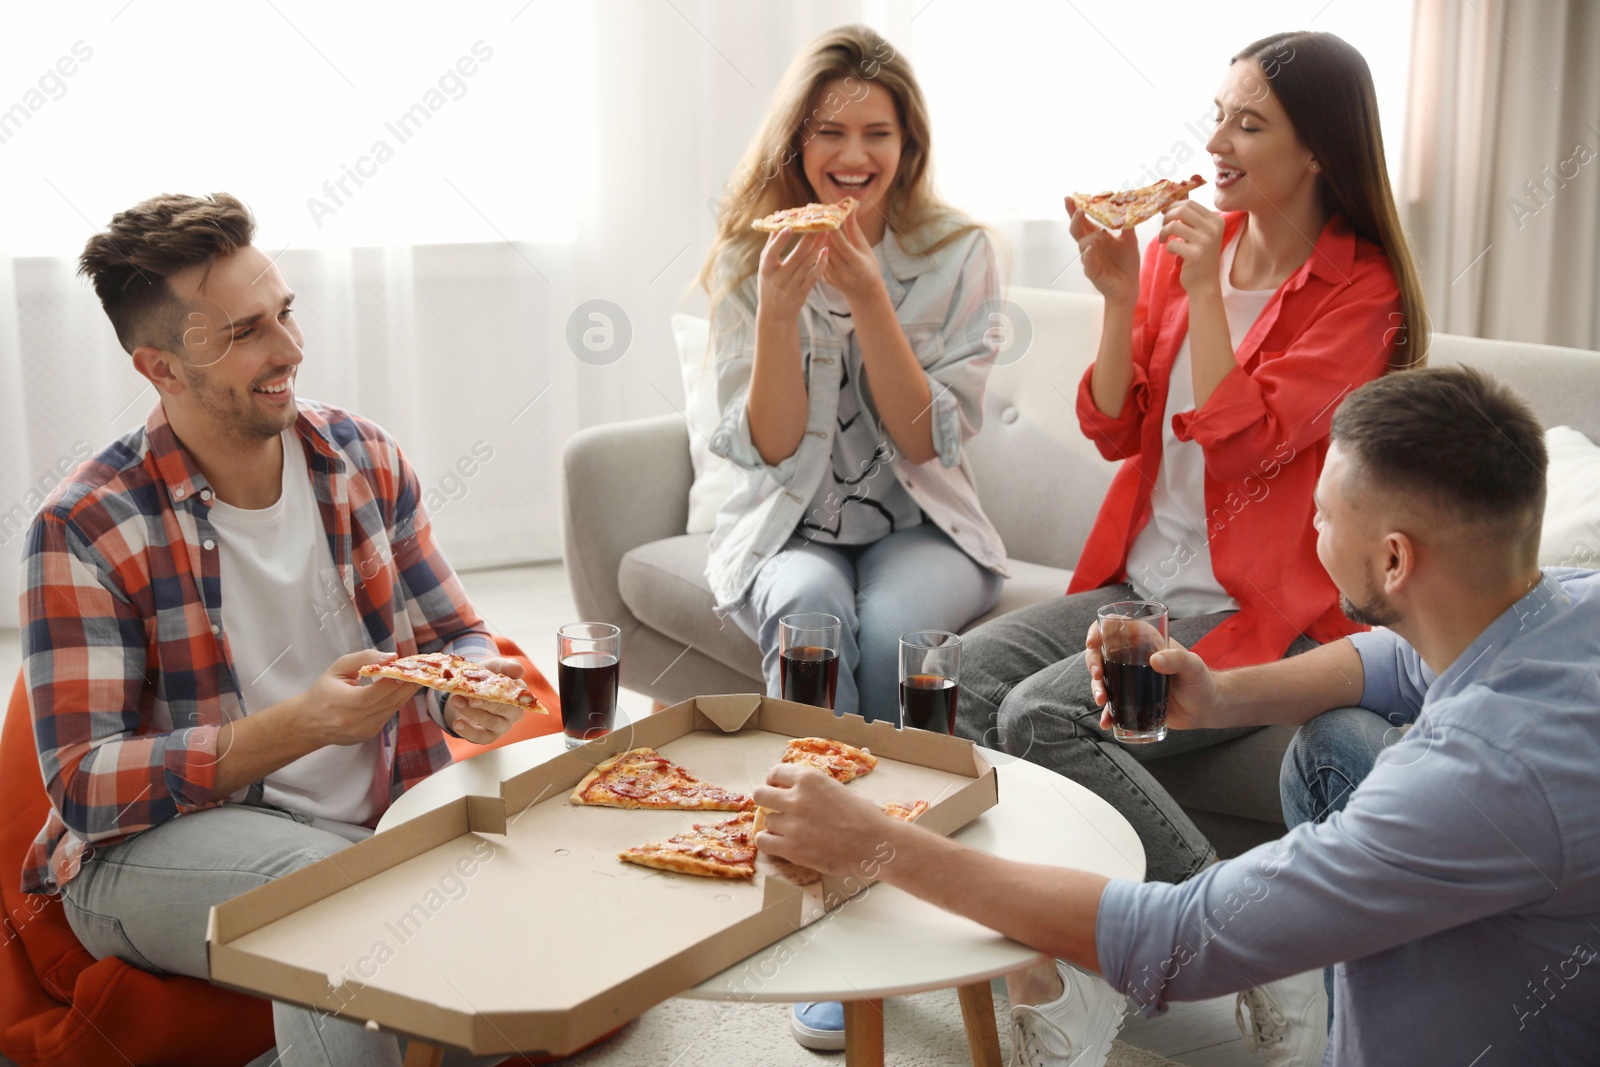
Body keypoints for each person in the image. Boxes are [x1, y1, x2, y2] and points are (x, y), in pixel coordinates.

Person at [756, 366, 1600, 1067]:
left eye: (1323, 512)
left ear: (1392, 558)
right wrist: (1221, 695)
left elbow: (1183, 940)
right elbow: (1396, 660)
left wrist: (878, 843)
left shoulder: (1476, 775)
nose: (1308, 524)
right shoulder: (1560, 605)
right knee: (1334, 744)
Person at [953, 31, 1429, 1058]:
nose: (1215, 139)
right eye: (1216, 113)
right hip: (1138, 579)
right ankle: (1069, 953)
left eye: (1248, 122)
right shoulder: (1177, 251)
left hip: (1261, 606)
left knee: (1045, 717)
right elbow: (1116, 429)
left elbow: (1247, 439)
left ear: (1317, 153)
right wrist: (1124, 293)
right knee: (954, 683)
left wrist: (1209, 291)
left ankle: (1252, 946)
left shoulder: (1361, 291)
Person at [21, 193, 525, 1067]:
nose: (289, 349)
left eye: (285, 312)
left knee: (485, 1012)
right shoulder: (86, 526)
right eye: (246, 331)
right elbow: (84, 785)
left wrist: (460, 694)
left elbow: (458, 633)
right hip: (145, 856)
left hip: (379, 822)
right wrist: (301, 727)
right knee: (327, 901)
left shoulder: (361, 457)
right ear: (162, 368)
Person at [700, 24, 1007, 731]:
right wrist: (778, 313)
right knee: (810, 618)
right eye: (829, 132)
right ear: (796, 143)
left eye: (878, 133)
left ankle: (906, 827)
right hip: (791, 526)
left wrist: (871, 297)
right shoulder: (749, 258)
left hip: (925, 525)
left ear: (908, 146)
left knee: (899, 634)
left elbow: (925, 441)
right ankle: (811, 814)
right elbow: (773, 448)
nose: (854, 155)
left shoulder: (961, 253)